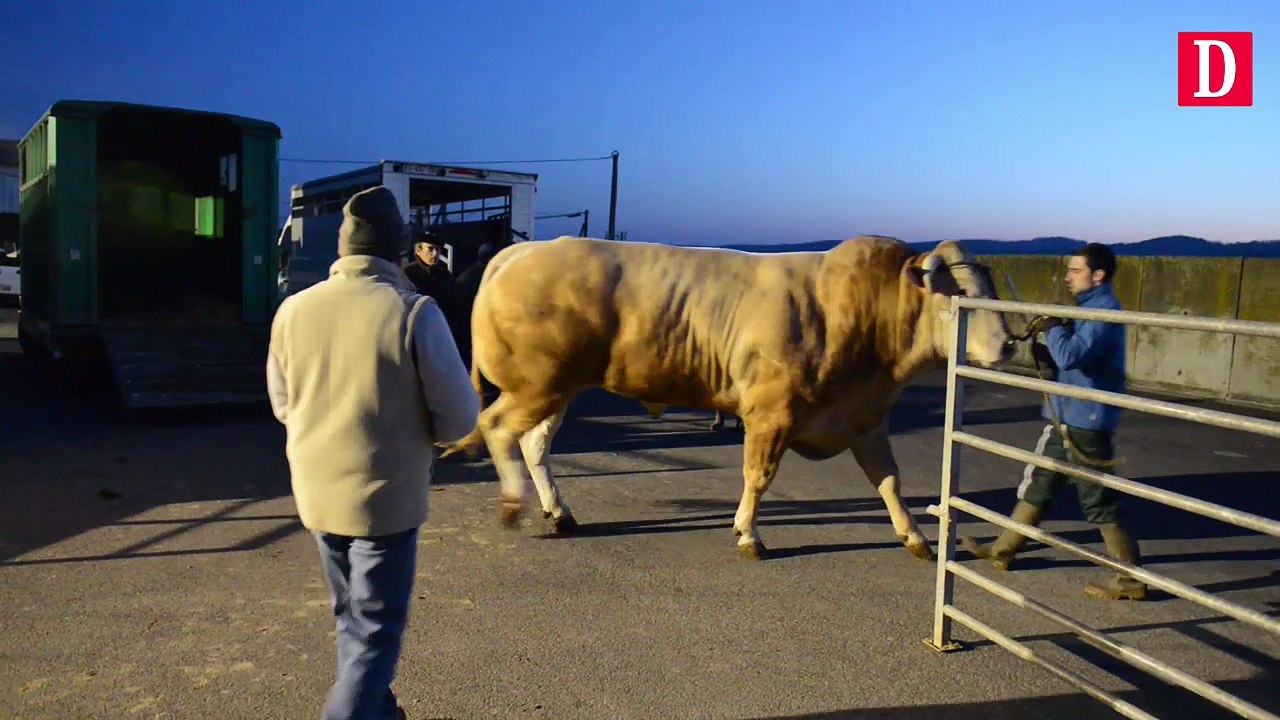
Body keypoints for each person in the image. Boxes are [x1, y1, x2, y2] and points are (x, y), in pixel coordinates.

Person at [266, 185, 481, 719]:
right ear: (399, 252)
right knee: (375, 635)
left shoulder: (292, 311)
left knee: (350, 618)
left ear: (342, 250)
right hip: (384, 502)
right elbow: (460, 419)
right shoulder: (414, 313)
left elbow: (282, 404)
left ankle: (378, 712)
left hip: (316, 497)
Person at [960, 242, 1146, 601]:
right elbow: (1065, 359)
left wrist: (1052, 330)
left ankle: (1129, 578)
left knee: (1099, 500)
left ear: (1098, 275)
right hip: (1066, 416)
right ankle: (1003, 550)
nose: (1067, 277)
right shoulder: (1087, 310)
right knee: (1040, 484)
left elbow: (1071, 355)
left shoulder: (1103, 313)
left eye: (1075, 271)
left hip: (1086, 421)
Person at [402, 231, 455, 311]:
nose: (435, 253)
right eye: (430, 249)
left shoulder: (445, 276)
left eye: (438, 249)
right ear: (418, 250)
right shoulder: (407, 274)